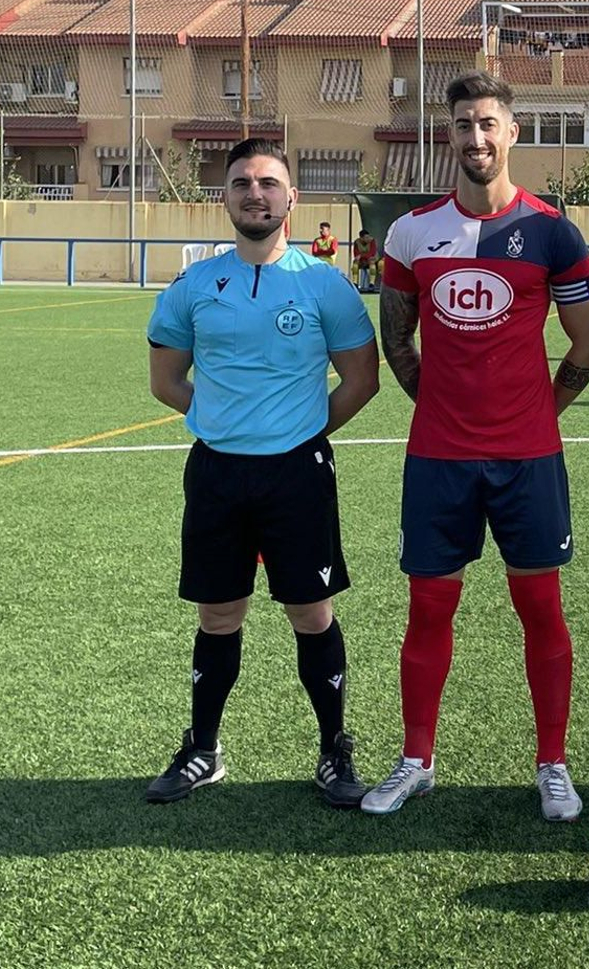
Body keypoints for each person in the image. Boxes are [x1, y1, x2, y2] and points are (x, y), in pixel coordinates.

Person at [363, 71, 589, 823]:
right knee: (429, 608)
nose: (476, 138)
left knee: (541, 607)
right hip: (438, 458)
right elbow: (396, 338)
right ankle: (416, 760)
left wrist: (540, 409)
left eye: (488, 124)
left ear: (512, 133)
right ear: (451, 135)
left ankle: (554, 765)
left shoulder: (553, 232)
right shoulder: (411, 234)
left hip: (528, 458)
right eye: (464, 124)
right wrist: (437, 403)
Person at [144, 138, 380, 807]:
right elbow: (166, 381)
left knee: (311, 611)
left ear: (291, 198)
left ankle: (334, 751)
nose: (256, 192)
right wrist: (228, 420)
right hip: (217, 472)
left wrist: (295, 429)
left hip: (297, 474)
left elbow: (362, 381)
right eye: (243, 181)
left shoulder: (323, 283)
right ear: (224, 196)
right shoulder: (194, 285)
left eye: (269, 182)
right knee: (218, 614)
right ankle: (203, 749)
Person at [352, 228, 378, 293]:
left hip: (371, 259)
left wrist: (361, 256)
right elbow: (356, 254)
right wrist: (360, 257)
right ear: (361, 238)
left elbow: (372, 253)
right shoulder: (356, 242)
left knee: (372, 265)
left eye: (368, 237)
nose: (368, 239)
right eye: (366, 237)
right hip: (362, 260)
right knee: (355, 265)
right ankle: (355, 283)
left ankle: (371, 284)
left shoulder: (372, 241)